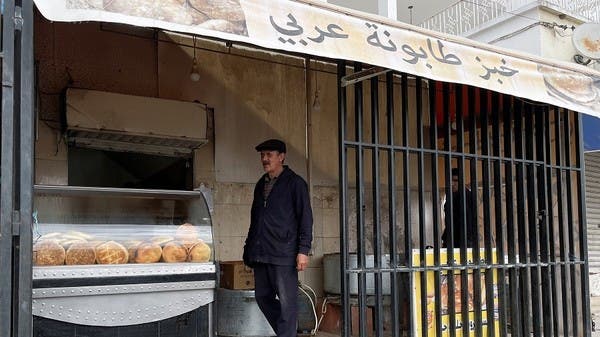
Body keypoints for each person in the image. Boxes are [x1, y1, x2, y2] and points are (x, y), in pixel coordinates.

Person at [243, 138, 313, 337]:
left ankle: (287, 333)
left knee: (286, 305)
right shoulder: (260, 185)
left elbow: (306, 218)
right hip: (261, 253)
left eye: (269, 155)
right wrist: (248, 251)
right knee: (262, 298)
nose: (265, 159)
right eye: (262, 156)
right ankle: (287, 332)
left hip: (284, 253)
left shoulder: (295, 183)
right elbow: (255, 220)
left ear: (281, 157)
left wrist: (303, 250)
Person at [441, 168, 477, 248]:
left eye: (455, 180)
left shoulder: (466, 196)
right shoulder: (451, 195)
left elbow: (468, 220)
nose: (452, 183)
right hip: (452, 239)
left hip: (461, 241)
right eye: (451, 181)